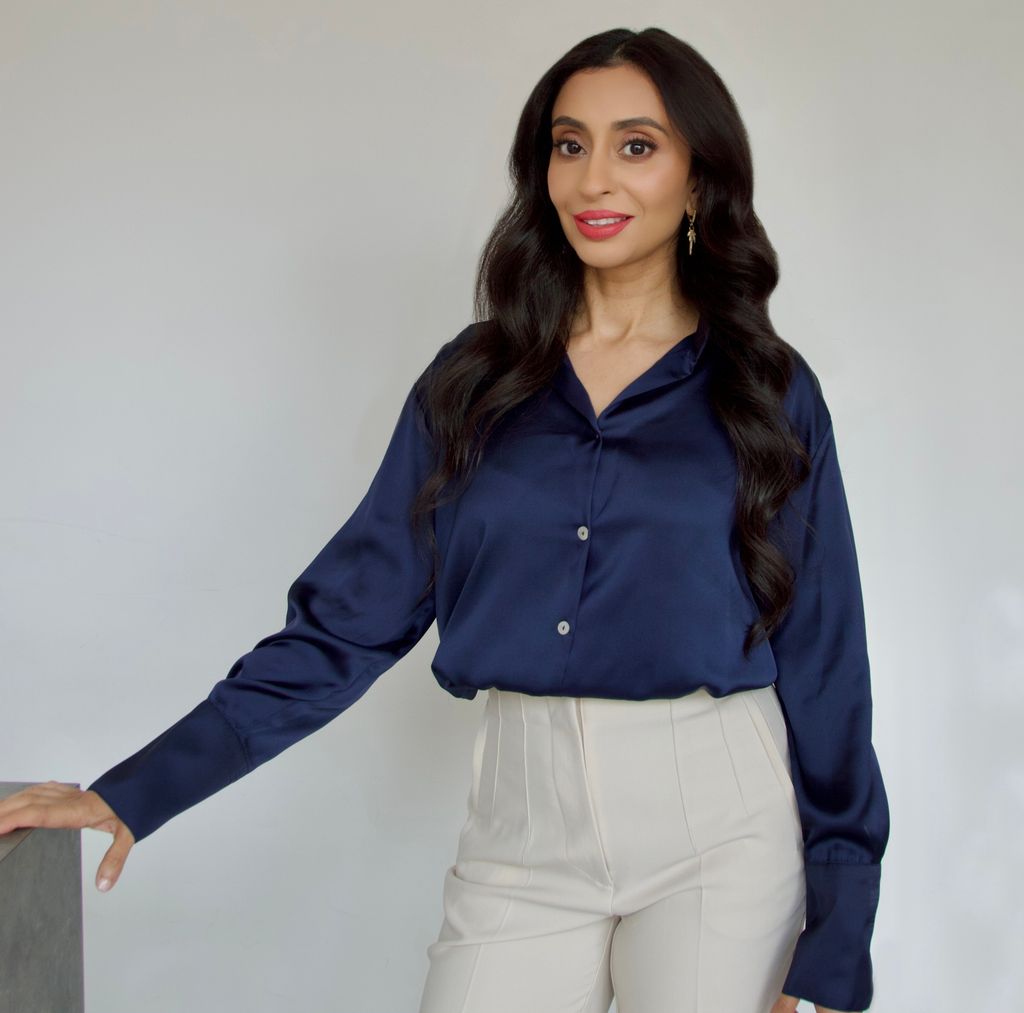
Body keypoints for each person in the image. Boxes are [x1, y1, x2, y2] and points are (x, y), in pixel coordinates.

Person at [0, 26, 890, 1013]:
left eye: (636, 145)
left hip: (718, 831)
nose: (594, 177)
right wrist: (137, 786)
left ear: (697, 176)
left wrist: (836, 934)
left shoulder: (764, 391)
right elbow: (349, 618)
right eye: (568, 143)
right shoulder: (473, 382)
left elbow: (823, 659)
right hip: (521, 826)